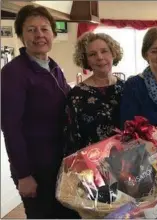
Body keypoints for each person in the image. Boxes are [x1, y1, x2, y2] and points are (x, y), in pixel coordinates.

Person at [0, 5, 80, 219]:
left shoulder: (52, 66)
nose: (39, 35)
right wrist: (24, 175)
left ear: (53, 33)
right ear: (20, 35)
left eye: (44, 29)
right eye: (31, 29)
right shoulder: (13, 72)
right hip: (36, 167)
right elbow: (11, 127)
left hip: (60, 163)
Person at [65, 32, 125, 155]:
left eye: (104, 51)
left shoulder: (126, 87)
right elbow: (72, 137)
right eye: (92, 54)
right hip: (91, 163)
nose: (99, 57)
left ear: (113, 53)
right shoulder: (77, 94)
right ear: (86, 60)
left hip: (126, 161)